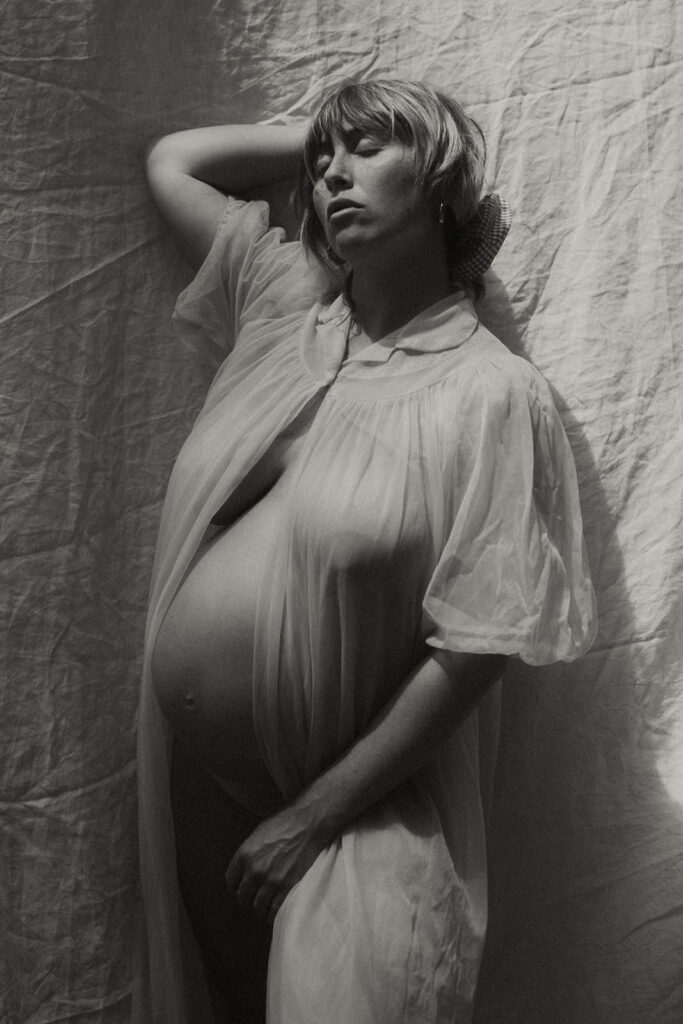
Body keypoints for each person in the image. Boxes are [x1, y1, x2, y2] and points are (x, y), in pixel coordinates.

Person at [137, 79, 597, 1024]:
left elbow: (477, 646)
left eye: (368, 149)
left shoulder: (490, 392)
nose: (330, 175)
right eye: (320, 161)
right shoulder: (282, 306)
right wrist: (322, 132)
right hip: (203, 783)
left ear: (440, 181)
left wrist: (314, 815)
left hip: (354, 803)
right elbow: (173, 163)